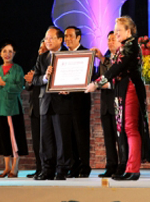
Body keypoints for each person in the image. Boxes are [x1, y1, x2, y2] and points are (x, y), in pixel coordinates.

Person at [86, 16, 150, 181]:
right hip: (122, 89)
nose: (116, 34)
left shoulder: (130, 47)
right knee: (125, 129)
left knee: (130, 128)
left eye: (119, 31)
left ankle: (132, 169)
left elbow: (116, 68)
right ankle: (129, 167)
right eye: (115, 31)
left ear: (128, 31)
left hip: (130, 88)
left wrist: (97, 83)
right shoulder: (124, 47)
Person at [33, 26, 74, 181]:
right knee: (46, 139)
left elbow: (75, 78)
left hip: (62, 102)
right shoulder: (42, 58)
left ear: (60, 40)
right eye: (46, 38)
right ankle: (46, 169)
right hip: (45, 103)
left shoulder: (68, 56)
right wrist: (45, 77)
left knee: (62, 138)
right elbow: (36, 79)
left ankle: (62, 169)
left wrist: (68, 89)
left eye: (51, 38)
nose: (47, 41)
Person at [0, 40, 28, 178]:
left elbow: (19, 88)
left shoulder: (17, 69)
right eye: (4, 51)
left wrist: (3, 83)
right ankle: (6, 167)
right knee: (4, 138)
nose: (7, 54)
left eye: (10, 51)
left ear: (14, 53)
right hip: (0, 108)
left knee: (14, 138)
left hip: (13, 108)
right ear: (0, 53)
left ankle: (15, 168)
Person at [91, 31, 127, 178]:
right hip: (106, 104)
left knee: (121, 137)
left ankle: (123, 165)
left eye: (114, 39)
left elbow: (117, 77)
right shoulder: (104, 59)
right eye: (109, 40)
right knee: (108, 138)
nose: (111, 42)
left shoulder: (121, 58)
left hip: (118, 103)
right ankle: (111, 165)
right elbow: (99, 78)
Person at [64, 26, 92, 178]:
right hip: (65, 102)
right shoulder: (62, 56)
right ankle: (73, 166)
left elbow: (89, 77)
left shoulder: (86, 54)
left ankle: (85, 166)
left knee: (81, 135)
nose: (67, 39)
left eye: (70, 36)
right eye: (65, 36)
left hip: (80, 101)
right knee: (70, 136)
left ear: (78, 37)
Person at [24, 39, 48, 178]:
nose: (40, 52)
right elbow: (27, 86)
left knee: (46, 141)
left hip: (45, 106)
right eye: (40, 49)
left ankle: (47, 167)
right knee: (37, 142)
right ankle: (39, 167)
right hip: (34, 108)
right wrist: (30, 80)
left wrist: (35, 78)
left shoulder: (49, 67)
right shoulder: (36, 67)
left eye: (43, 50)